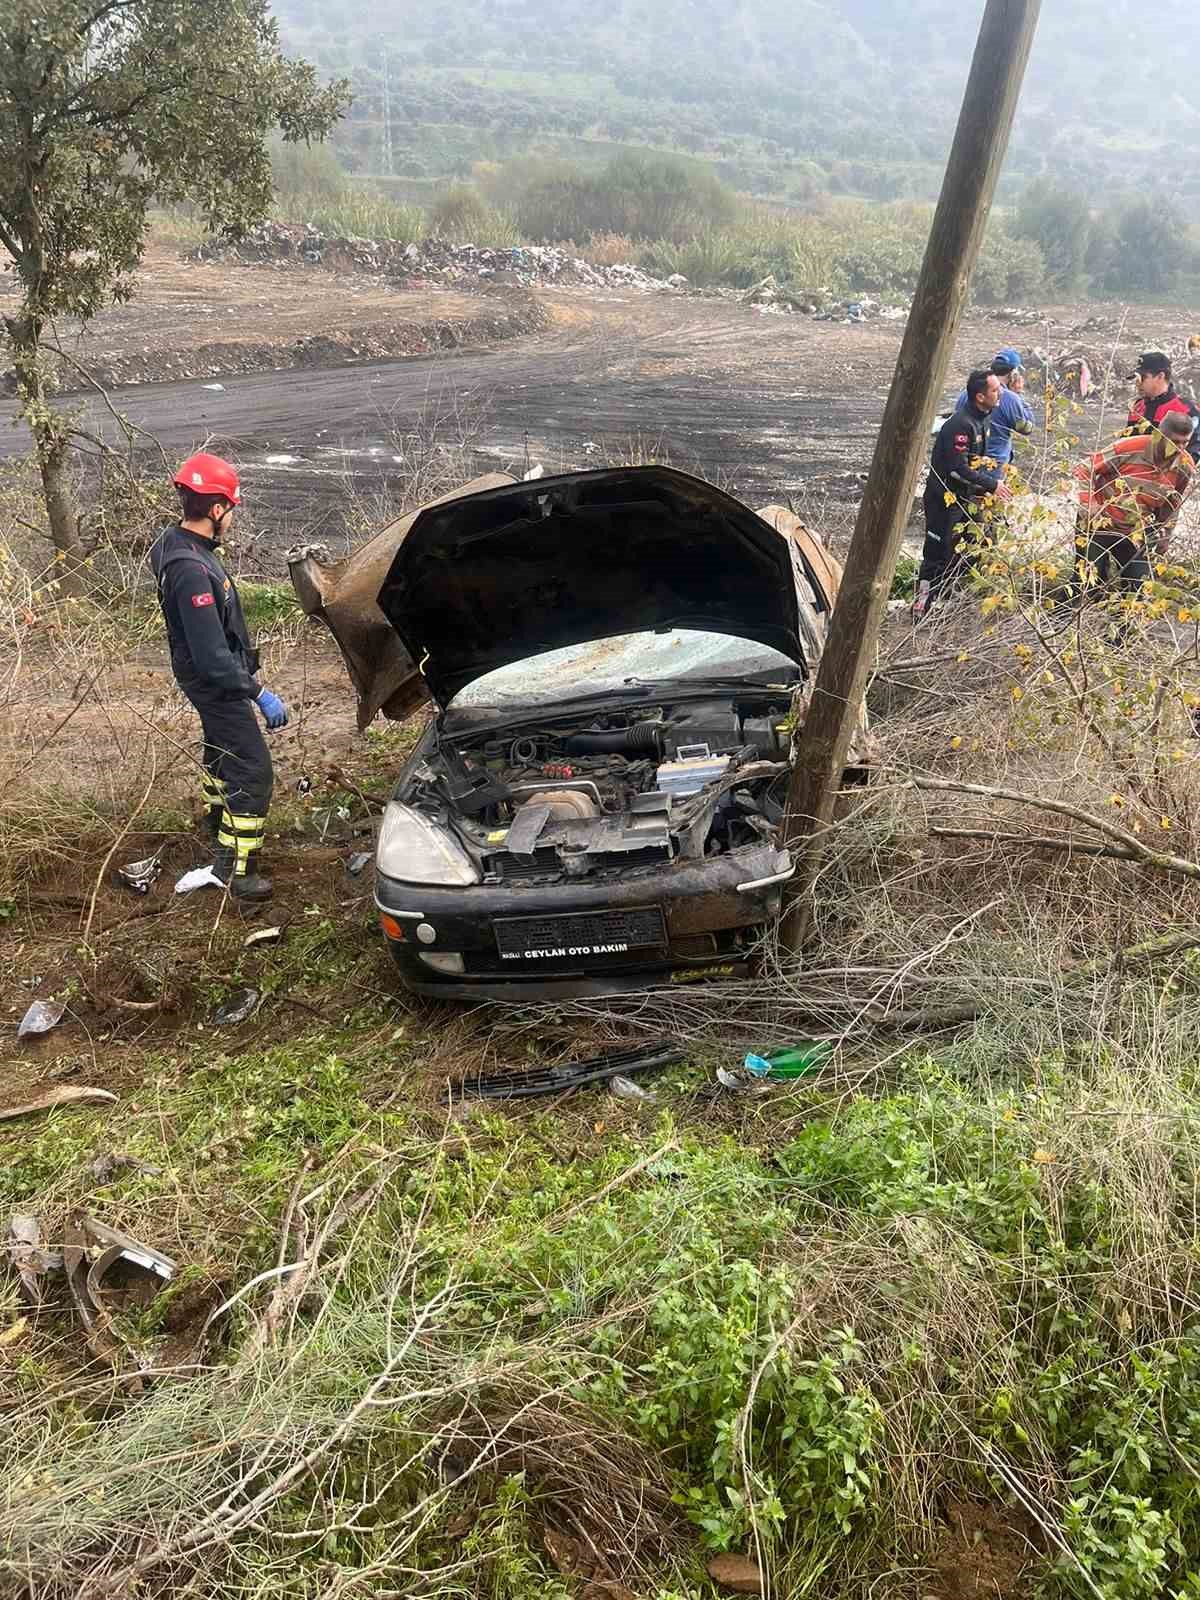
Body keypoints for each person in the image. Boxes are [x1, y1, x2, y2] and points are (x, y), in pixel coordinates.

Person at [149, 454, 289, 902]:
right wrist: (257, 691)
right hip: (217, 683)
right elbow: (211, 656)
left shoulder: (179, 544)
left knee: (221, 753)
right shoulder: (190, 569)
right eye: (229, 508)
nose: (231, 516)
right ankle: (234, 871)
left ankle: (215, 823)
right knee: (254, 771)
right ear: (215, 510)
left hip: (212, 679)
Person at [1073, 410, 1195, 630]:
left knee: (1137, 587)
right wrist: (1089, 504)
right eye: (1175, 442)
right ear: (1160, 435)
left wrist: (1165, 535)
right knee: (1086, 582)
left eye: (1186, 442)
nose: (1180, 448)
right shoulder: (1129, 447)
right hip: (1100, 523)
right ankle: (1067, 629)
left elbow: (1172, 503)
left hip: (1137, 529)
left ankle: (1119, 641)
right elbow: (1085, 468)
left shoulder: (1184, 466)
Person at [913, 370, 1012, 619]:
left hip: (966, 499)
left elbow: (977, 462)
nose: (999, 392)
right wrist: (991, 485)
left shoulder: (984, 419)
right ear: (980, 396)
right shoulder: (960, 424)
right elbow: (957, 469)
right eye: (994, 390)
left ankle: (953, 604)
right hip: (943, 500)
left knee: (966, 552)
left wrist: (988, 488)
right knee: (937, 553)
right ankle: (921, 607)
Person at [956, 347, 1034, 469]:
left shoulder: (965, 394)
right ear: (1013, 374)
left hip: (967, 466)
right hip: (994, 469)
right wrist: (1018, 395)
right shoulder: (1010, 398)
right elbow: (1027, 428)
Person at [1122, 352, 1194, 439]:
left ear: (1160, 376)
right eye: (1136, 378)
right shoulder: (1136, 407)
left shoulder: (1186, 410)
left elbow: (1194, 449)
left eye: (1142, 378)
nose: (1137, 383)